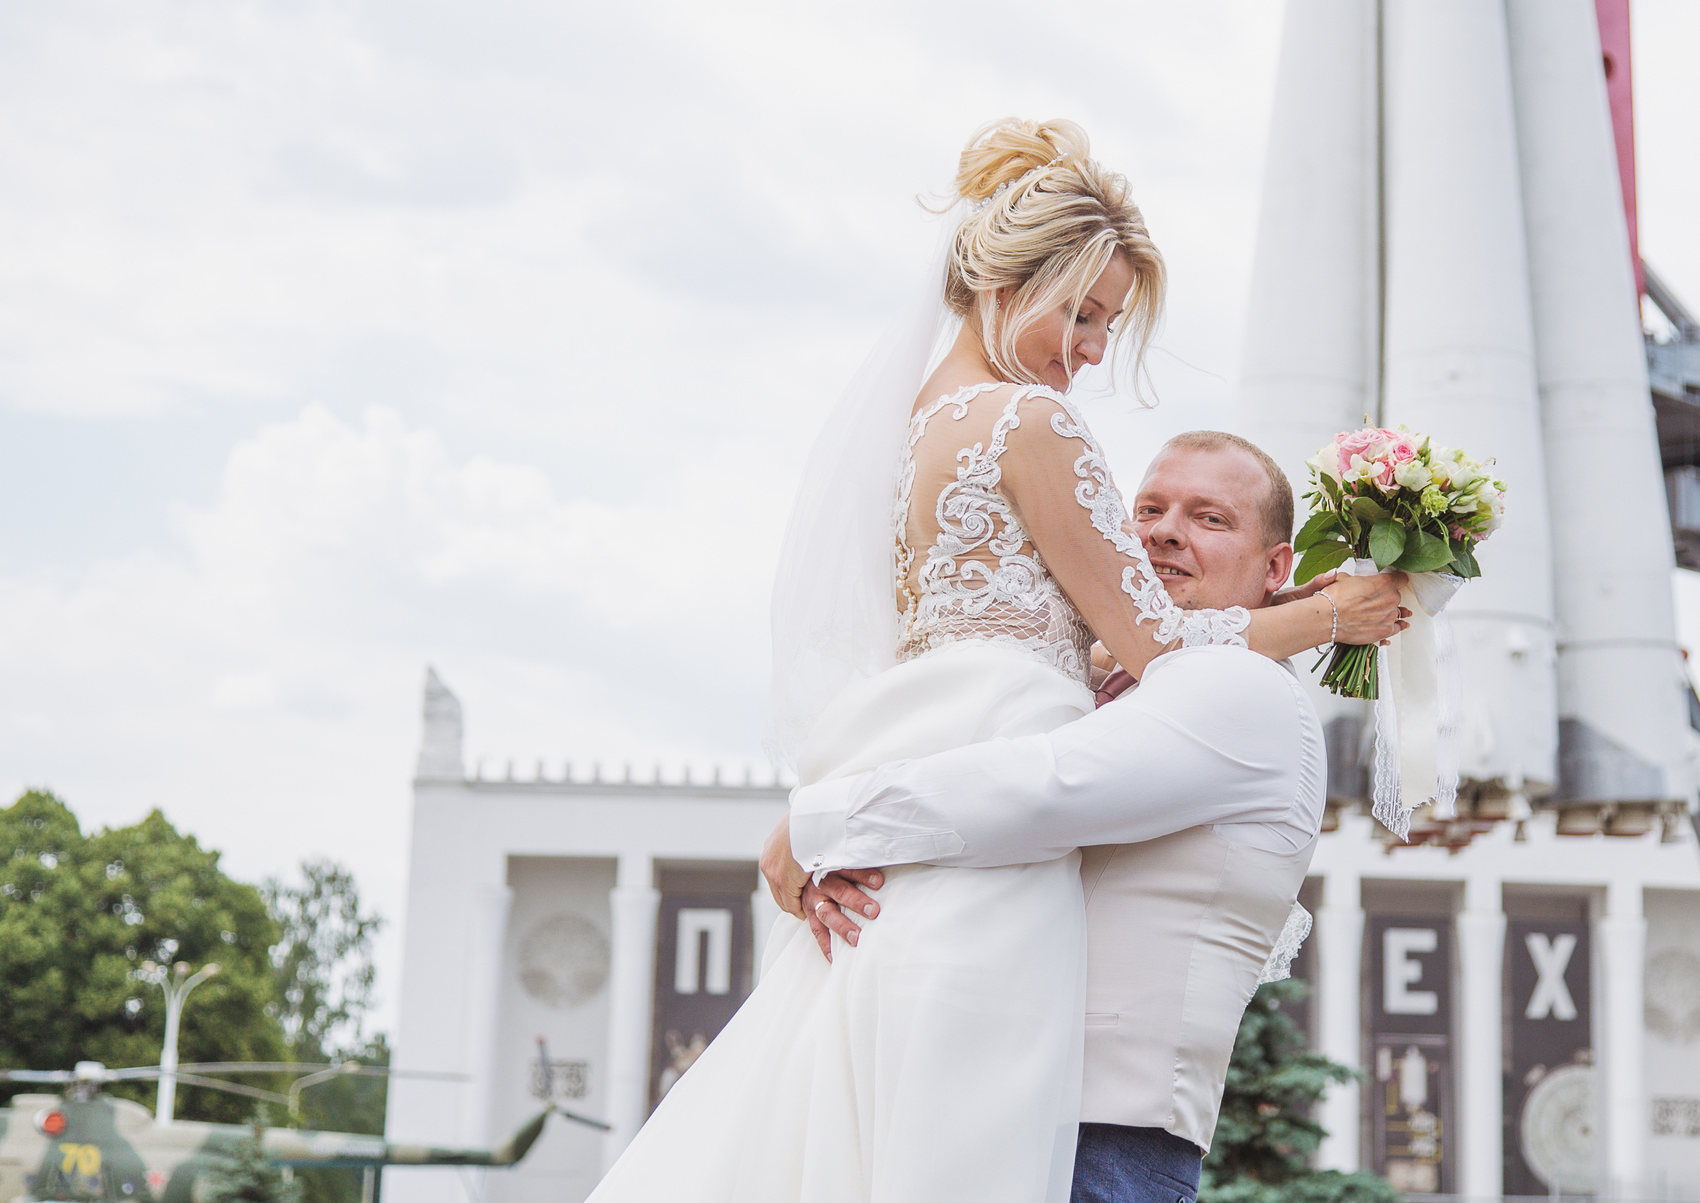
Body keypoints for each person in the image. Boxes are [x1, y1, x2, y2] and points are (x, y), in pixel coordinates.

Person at [583, 119, 1405, 1203]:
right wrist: (1323, 621)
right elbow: (1151, 648)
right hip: (993, 791)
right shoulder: (1031, 425)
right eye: (1081, 313)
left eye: (1105, 323)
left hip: (916, 756)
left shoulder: (905, 429)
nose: (1092, 349)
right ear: (1002, 283)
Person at [762, 430, 1345, 1203]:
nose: (1165, 529)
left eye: (1209, 518)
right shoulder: (1109, 682)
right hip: (998, 1116)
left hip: (1099, 1146)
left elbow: (1044, 789)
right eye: (1148, 508)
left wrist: (821, 822)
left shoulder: (1244, 691)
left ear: (1276, 568)